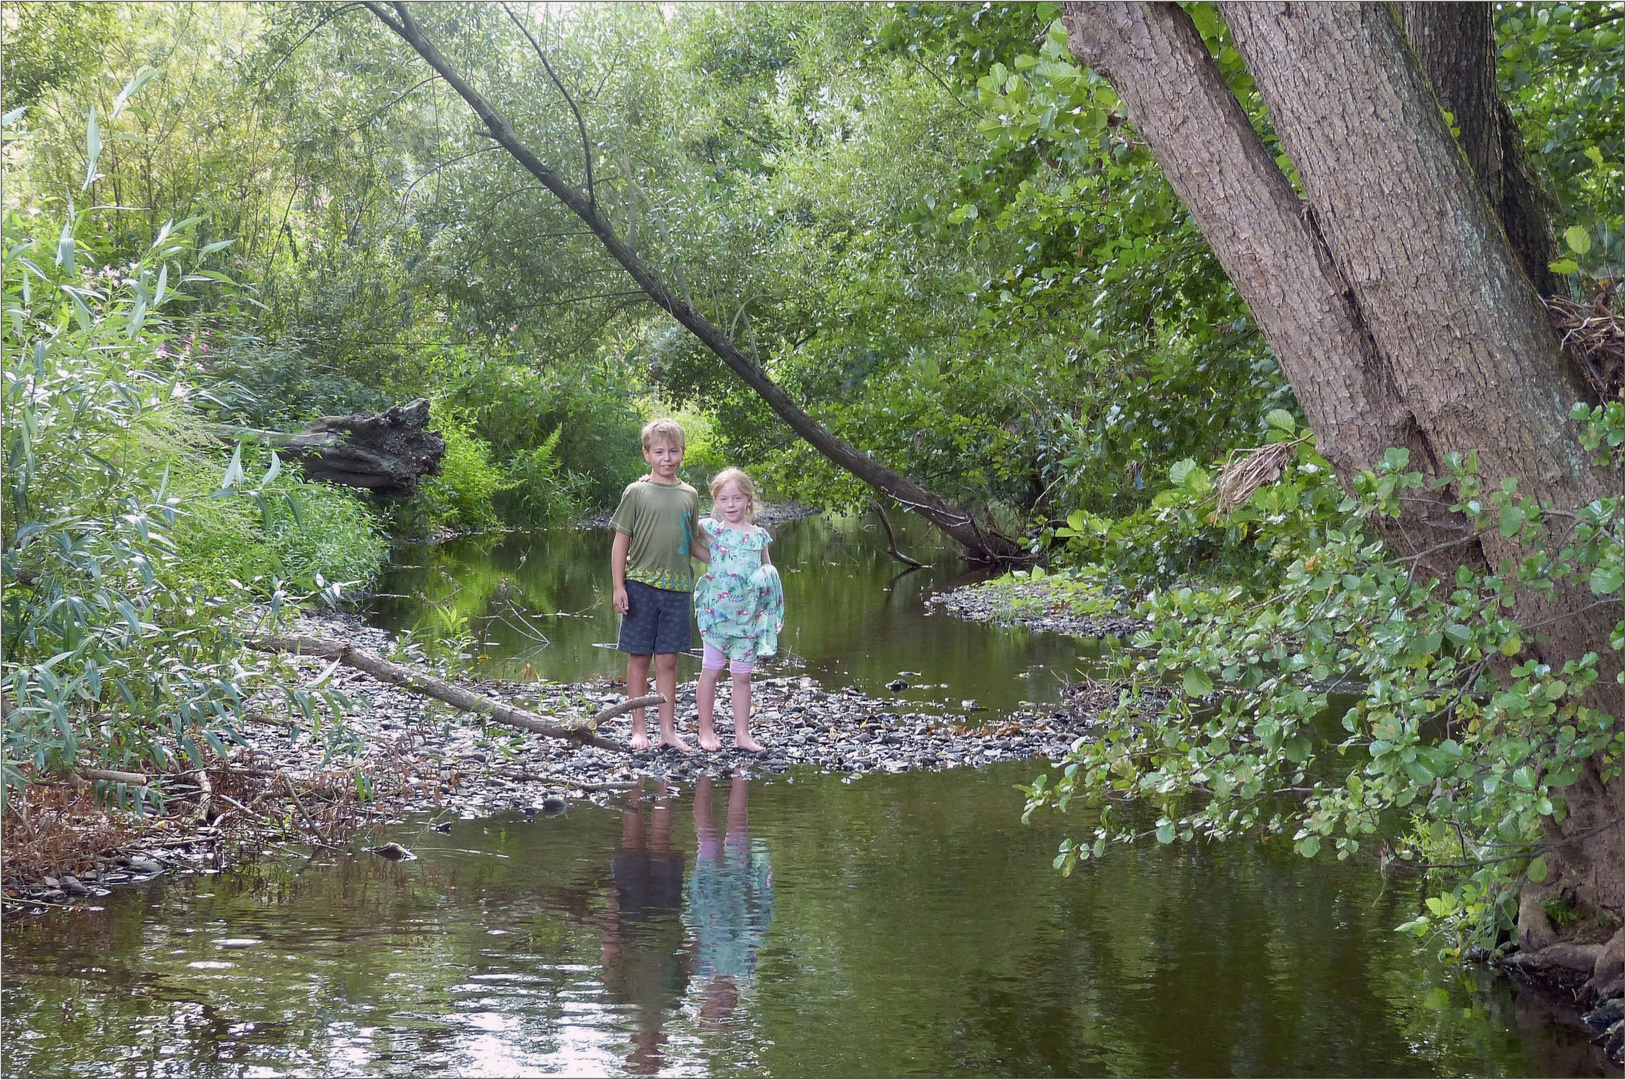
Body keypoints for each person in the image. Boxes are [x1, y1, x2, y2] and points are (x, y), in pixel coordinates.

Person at [611, 419, 708, 752]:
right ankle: (639, 728)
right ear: (646, 455)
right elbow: (620, 542)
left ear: (683, 453)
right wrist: (618, 586)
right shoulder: (636, 492)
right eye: (659, 452)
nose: (667, 458)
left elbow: (692, 541)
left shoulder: (689, 495)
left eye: (674, 451)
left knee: (668, 661)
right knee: (639, 658)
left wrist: (723, 559)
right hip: (640, 585)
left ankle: (667, 730)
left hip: (678, 589)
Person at [693, 467, 783, 753]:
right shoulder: (711, 529)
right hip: (716, 615)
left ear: (749, 501)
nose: (730, 505)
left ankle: (742, 734)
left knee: (742, 676)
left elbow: (766, 569)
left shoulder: (759, 536)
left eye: (737, 499)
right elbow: (684, 530)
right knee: (712, 670)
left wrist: (770, 604)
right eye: (723, 499)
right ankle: (705, 730)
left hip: (748, 618)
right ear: (716, 502)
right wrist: (713, 561)